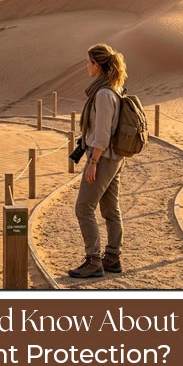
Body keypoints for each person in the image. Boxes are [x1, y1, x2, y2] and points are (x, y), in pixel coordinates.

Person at [69, 43, 128, 278]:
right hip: (113, 158)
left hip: (103, 158)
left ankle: (94, 261)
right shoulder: (112, 89)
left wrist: (93, 162)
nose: (86, 66)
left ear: (97, 65)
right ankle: (112, 258)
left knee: (84, 208)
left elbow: (102, 134)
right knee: (110, 209)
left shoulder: (104, 94)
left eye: (88, 62)